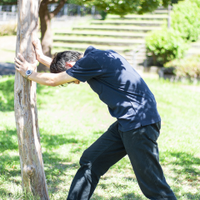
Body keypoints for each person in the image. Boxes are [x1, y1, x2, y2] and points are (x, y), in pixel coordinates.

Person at [15, 39, 177, 200]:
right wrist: (42, 58)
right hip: (127, 123)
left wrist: (29, 73)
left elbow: (54, 80)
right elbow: (69, 71)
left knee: (153, 185)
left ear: (71, 66)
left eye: (71, 80)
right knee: (91, 161)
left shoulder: (91, 61)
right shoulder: (96, 57)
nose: (75, 83)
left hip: (139, 125)